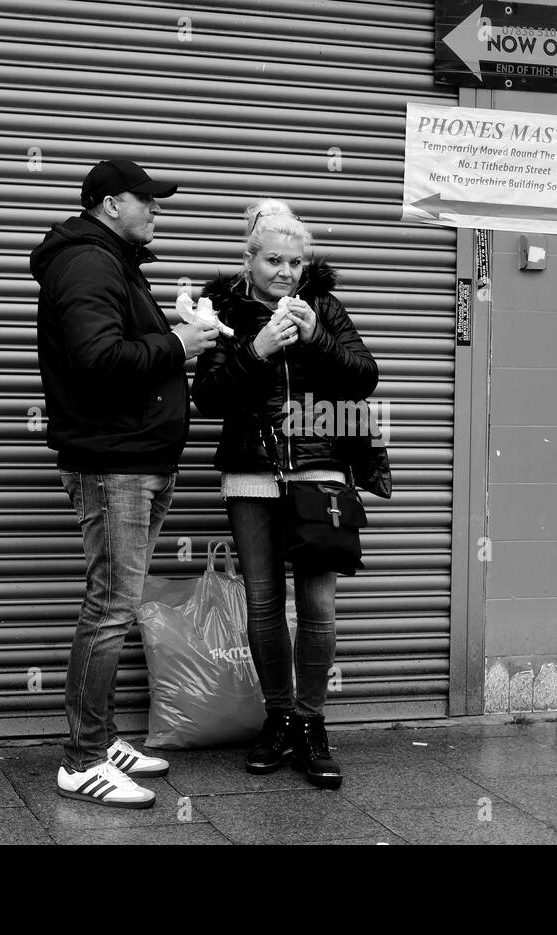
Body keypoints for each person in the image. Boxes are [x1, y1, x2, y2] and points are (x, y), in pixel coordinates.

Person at [30, 158, 219, 807]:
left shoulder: (110, 262)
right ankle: (82, 760)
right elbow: (100, 361)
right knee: (109, 607)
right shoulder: (86, 262)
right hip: (114, 463)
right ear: (111, 203)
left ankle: (102, 737)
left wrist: (171, 327)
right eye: (148, 200)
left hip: (137, 458)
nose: (157, 210)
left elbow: (117, 345)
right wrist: (180, 342)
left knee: (117, 602)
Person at [192, 199, 378, 789]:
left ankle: (312, 722)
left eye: (296, 261)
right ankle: (279, 717)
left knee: (318, 607)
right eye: (274, 259)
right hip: (251, 472)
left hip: (320, 474)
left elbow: (363, 374)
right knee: (266, 603)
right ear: (248, 259)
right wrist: (259, 348)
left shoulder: (323, 307)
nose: (286, 272)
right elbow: (211, 397)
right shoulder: (223, 311)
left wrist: (315, 336)